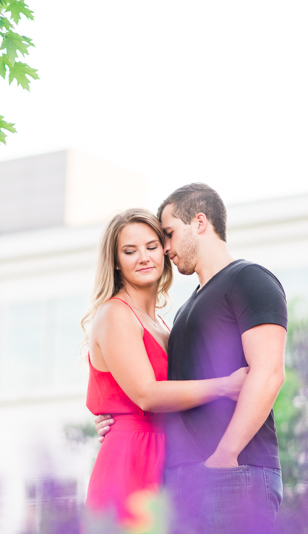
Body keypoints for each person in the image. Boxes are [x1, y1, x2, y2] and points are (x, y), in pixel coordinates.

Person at [96, 184, 288, 534]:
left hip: (233, 473)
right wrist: (121, 419)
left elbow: (269, 373)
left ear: (199, 222)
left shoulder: (249, 279)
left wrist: (224, 457)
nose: (164, 249)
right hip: (181, 480)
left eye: (166, 236)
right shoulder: (185, 310)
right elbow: (152, 387)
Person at [83, 208, 248, 529]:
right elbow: (145, 394)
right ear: (116, 261)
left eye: (151, 246)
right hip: (131, 458)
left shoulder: (162, 324)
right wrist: (225, 386)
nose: (143, 257)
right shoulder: (116, 314)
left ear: (164, 250)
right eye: (129, 251)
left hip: (169, 454)